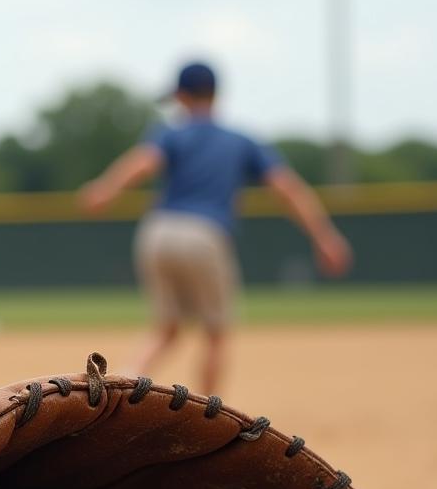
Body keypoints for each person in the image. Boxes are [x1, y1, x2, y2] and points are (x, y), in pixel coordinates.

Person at [79, 61, 351, 394]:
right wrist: (324, 236)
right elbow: (287, 188)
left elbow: (144, 162)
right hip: (203, 236)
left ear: (181, 96)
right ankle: (209, 419)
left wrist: (105, 188)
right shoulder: (240, 141)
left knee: (166, 329)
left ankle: (117, 388)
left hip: (157, 232)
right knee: (216, 334)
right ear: (216, 94)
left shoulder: (171, 134)